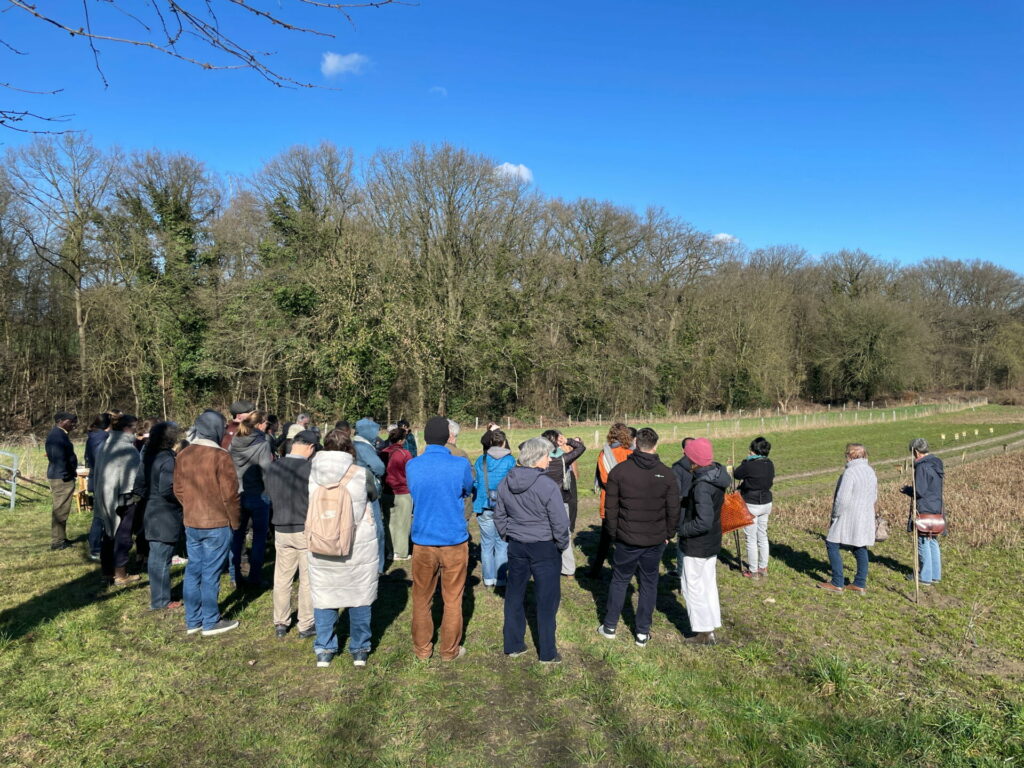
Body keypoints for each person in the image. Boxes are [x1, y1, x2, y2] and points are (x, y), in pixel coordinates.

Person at [598, 428, 679, 647]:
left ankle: (611, 626)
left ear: (635, 443)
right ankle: (641, 632)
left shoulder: (620, 472)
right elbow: (674, 511)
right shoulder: (667, 474)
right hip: (648, 539)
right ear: (656, 445)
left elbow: (610, 508)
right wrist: (669, 534)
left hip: (633, 539)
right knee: (648, 583)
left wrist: (614, 533)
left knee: (620, 580)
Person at [307, 429, 380, 667]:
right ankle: (359, 647)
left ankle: (325, 648)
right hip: (356, 544)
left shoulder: (312, 474)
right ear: (350, 448)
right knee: (359, 595)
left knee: (324, 595)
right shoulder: (361, 474)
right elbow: (374, 494)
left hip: (321, 541)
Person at [405, 416, 474, 661]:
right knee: (453, 598)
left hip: (423, 539)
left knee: (422, 597)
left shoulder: (413, 465)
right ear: (448, 437)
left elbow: (414, 490)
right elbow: (467, 489)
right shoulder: (459, 465)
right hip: (453, 538)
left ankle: (423, 650)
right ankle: (449, 650)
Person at [494, 437, 569, 663]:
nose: (549, 460)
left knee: (514, 596)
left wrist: (507, 534)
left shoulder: (506, 481)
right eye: (547, 456)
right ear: (537, 459)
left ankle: (514, 645)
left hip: (518, 545)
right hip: (544, 547)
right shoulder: (547, 485)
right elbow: (560, 521)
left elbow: (500, 515)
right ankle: (547, 652)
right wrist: (561, 543)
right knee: (547, 601)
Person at [174, 409, 241, 636]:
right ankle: (210, 621)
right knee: (210, 573)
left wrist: (191, 507)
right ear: (216, 430)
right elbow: (230, 495)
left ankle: (193, 620)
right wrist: (235, 522)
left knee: (194, 570)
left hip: (192, 522)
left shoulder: (183, 454)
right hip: (217, 523)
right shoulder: (221, 456)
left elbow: (178, 490)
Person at [265, 430, 319, 638]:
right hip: (303, 528)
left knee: (282, 577)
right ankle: (305, 623)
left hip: (280, 526)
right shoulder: (309, 469)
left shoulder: (273, 467)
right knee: (307, 578)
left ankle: (280, 621)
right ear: (311, 448)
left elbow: (269, 494)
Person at [678, 437, 730, 644]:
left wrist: (682, 530)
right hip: (712, 541)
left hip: (697, 544)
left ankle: (702, 632)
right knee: (708, 584)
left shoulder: (701, 485)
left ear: (695, 461)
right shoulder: (717, 475)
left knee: (693, 587)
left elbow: (703, 521)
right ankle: (710, 626)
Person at [135, 422, 183, 611]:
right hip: (165, 514)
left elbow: (138, 485)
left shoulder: (147, 457)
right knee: (162, 558)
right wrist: (182, 500)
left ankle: (159, 596)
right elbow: (166, 489)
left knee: (156, 556)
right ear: (171, 439)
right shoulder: (168, 460)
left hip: (151, 511)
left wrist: (150, 498)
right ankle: (161, 601)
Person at [819, 443, 877, 595]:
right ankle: (859, 583)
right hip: (865, 514)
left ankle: (837, 582)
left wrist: (835, 514)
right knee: (860, 546)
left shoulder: (850, 473)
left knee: (832, 543)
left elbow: (842, 499)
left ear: (851, 456)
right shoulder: (871, 471)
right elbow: (874, 496)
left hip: (848, 514)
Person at [94, 414, 143, 585]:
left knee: (108, 535)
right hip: (124, 500)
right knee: (123, 535)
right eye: (134, 426)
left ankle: (107, 573)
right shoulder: (127, 449)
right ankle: (120, 574)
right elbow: (136, 478)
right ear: (126, 428)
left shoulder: (104, 445)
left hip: (107, 497)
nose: (137, 429)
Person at [229, 411, 274, 588]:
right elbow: (266, 471)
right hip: (258, 495)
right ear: (259, 425)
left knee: (237, 537)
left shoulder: (234, 441)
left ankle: (235, 576)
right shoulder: (262, 444)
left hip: (237, 493)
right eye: (265, 423)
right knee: (258, 538)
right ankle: (255, 576)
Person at [586, 422, 633, 578]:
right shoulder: (633, 452)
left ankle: (596, 570)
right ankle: (626, 570)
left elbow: (605, 478)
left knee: (606, 538)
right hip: (630, 500)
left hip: (610, 501)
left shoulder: (606, 453)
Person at [472, 428, 515, 587]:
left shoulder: (480, 460)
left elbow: (475, 483)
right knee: (502, 543)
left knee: (486, 544)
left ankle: (488, 579)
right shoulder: (510, 461)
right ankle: (501, 579)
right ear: (503, 443)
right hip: (504, 507)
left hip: (484, 506)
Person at [540, 429, 586, 576]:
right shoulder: (563, 460)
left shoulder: (537, 460)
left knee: (544, 535)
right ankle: (568, 568)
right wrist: (567, 441)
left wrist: (540, 442)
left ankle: (546, 565)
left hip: (542, 502)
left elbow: (522, 447)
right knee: (564, 534)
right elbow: (581, 448)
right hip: (561, 500)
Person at [902, 438, 944, 586]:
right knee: (932, 540)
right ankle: (935, 575)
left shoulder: (922, 466)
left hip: (925, 508)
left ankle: (925, 576)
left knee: (923, 540)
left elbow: (919, 491)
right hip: (937, 507)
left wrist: (907, 489)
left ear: (916, 451)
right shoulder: (936, 464)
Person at [734, 436, 775, 579]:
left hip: (752, 503)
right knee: (762, 535)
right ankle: (763, 566)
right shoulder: (769, 463)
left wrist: (746, 461)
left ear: (753, 450)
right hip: (766, 502)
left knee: (751, 538)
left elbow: (736, 474)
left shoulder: (749, 464)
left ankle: (752, 570)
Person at [353, 417, 387, 573]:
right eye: (374, 430)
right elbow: (379, 467)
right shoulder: (363, 446)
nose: (376, 433)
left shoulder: (353, 443)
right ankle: (378, 566)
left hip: (355, 490)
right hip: (368, 490)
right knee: (377, 529)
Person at [45, 411, 78, 551]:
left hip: (63, 475)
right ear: (61, 421)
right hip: (61, 478)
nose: (74, 425)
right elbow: (56, 457)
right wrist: (65, 474)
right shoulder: (56, 435)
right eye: (71, 422)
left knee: (62, 509)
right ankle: (57, 541)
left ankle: (61, 537)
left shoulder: (60, 434)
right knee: (60, 510)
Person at [380, 426, 414, 561]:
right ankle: (401, 552)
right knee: (403, 524)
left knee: (389, 522)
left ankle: (390, 551)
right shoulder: (405, 454)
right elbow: (411, 473)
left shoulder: (382, 452)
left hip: (387, 491)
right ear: (401, 440)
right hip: (403, 491)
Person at [84, 413, 111, 560]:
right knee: (100, 516)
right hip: (101, 480)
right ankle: (95, 548)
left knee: (100, 515)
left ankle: (96, 545)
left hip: (96, 478)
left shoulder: (93, 436)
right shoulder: (103, 438)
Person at [668, 437, 696, 578]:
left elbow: (675, 493)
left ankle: (681, 572)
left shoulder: (677, 467)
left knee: (682, 539)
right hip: (698, 507)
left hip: (684, 509)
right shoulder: (702, 464)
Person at [447, 419, 475, 521]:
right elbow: (470, 479)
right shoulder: (460, 454)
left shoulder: (427, 453)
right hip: (458, 504)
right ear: (451, 436)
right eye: (456, 436)